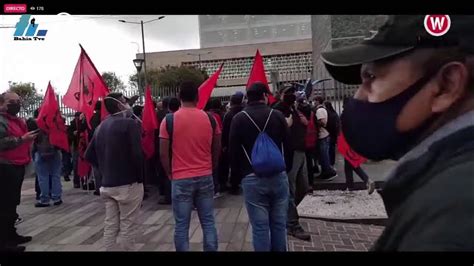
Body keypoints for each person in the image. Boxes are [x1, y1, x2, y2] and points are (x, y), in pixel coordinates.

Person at [321, 15, 474, 251]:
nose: (359, 96)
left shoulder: (451, 219)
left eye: (371, 78)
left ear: (447, 86)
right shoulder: (440, 188)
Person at [229, 83, 292, 251]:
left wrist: (236, 179)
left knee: (259, 227)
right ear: (264, 95)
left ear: (247, 98)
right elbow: (289, 145)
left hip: (251, 177)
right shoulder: (277, 115)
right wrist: (287, 168)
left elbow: (233, 152)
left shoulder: (239, 119)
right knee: (279, 225)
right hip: (278, 175)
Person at [159, 81, 220, 252]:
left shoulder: (169, 120)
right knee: (208, 222)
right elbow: (216, 147)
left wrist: (170, 174)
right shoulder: (210, 118)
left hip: (180, 178)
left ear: (179, 98)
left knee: (181, 226)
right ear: (197, 97)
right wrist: (212, 166)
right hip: (205, 175)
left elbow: (163, 153)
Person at [85, 92, 144, 251]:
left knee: (110, 224)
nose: (128, 104)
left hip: (107, 184)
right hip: (128, 183)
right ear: (119, 105)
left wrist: (105, 169)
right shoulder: (130, 124)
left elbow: (88, 155)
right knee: (128, 225)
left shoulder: (100, 126)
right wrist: (141, 177)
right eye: (125, 101)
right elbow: (138, 154)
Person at [273, 86, 311, 241]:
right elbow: (273, 131)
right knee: (291, 189)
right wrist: (285, 125)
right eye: (287, 93)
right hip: (290, 153)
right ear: (280, 95)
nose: (291, 95)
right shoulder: (278, 110)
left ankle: (285, 213)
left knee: (304, 187)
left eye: (293, 93)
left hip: (301, 151)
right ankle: (292, 224)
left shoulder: (294, 108)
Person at [0, 92, 37, 252]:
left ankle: (10, 234)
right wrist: (22, 139)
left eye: (18, 101)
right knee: (5, 204)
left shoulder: (16, 120)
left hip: (17, 164)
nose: (16, 104)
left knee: (12, 203)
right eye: (11, 102)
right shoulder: (1, 120)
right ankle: (4, 243)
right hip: (5, 166)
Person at [220, 91, 244, 195]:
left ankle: (233, 185)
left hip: (231, 143)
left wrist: (224, 144)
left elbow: (224, 130)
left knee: (232, 165)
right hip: (243, 143)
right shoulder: (244, 113)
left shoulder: (228, 114)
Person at [313, 96, 337, 180]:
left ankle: (329, 172)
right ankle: (325, 172)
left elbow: (323, 122)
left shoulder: (320, 110)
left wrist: (316, 123)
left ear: (318, 101)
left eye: (315, 101)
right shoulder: (322, 109)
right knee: (323, 155)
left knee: (324, 156)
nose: (314, 102)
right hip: (324, 135)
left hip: (323, 135)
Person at [205, 98, 224, 198]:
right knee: (215, 169)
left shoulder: (206, 116)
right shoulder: (215, 116)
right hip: (214, 146)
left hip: (206, 147)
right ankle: (216, 189)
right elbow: (219, 132)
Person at [156, 97, 171, 205]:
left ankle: (163, 193)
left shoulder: (156, 115)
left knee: (161, 171)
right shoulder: (170, 117)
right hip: (169, 146)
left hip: (157, 144)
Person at [324, 101, 340, 167]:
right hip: (334, 133)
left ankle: (330, 162)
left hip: (330, 133)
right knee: (332, 149)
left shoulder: (328, 114)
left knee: (329, 149)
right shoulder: (334, 113)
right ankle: (332, 162)